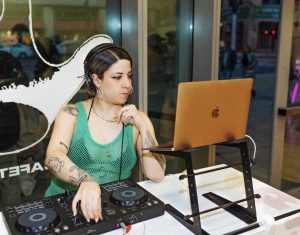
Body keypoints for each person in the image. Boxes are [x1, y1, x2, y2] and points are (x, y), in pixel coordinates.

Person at [44, 43, 166, 222]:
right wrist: (86, 179)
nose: (127, 84)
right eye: (117, 77)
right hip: (64, 204)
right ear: (97, 80)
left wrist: (143, 125)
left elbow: (156, 175)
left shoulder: (138, 120)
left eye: (129, 76)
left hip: (113, 205)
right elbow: (53, 157)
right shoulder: (71, 114)